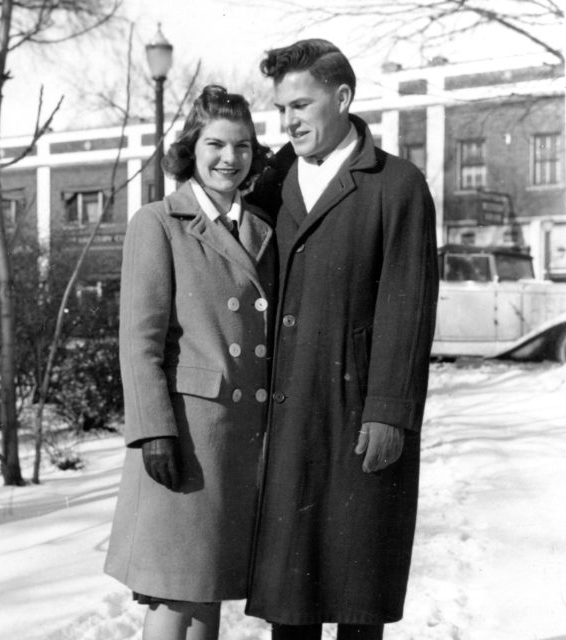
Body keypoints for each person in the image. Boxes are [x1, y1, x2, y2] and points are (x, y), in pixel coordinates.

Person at [245, 40, 439, 640]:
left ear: (344, 98)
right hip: (285, 421)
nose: (289, 121)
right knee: (290, 606)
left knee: (357, 603)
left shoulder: (397, 185)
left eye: (301, 105)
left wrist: (389, 414)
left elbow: (408, 308)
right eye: (282, 109)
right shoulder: (270, 184)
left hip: (358, 416)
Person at [104, 85, 275, 640]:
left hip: (238, 439)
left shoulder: (259, 227)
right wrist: (154, 431)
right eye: (217, 144)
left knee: (207, 593)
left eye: (244, 146)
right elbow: (140, 341)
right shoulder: (158, 221)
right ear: (191, 149)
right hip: (186, 435)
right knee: (176, 594)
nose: (231, 158)